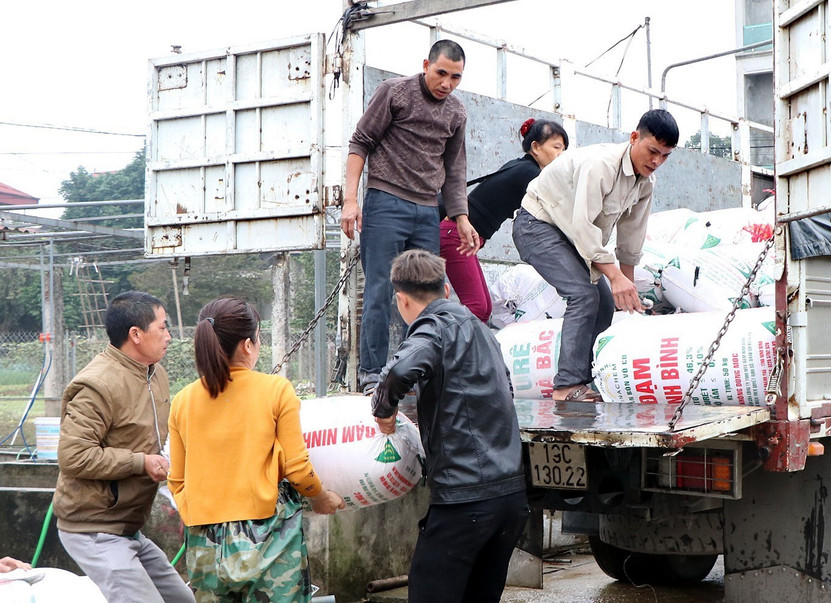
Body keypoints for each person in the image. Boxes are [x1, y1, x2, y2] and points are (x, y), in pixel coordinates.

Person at [371, 249, 528, 603]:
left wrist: (385, 410)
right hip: (510, 501)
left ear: (401, 299)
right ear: (445, 290)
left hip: (465, 502)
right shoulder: (482, 330)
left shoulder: (434, 327)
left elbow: (400, 370)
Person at [168, 297, 345, 603]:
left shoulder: (182, 400)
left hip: (204, 542)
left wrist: (202, 516)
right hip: (268, 538)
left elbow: (177, 480)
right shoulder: (275, 390)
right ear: (248, 345)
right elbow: (298, 468)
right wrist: (320, 497)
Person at [340, 39, 480, 394]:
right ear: (426, 65)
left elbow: (455, 168)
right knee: (380, 289)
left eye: (456, 77)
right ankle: (372, 375)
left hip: (426, 210)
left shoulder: (457, 113)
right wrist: (350, 200)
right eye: (441, 73)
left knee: (427, 294)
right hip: (386, 201)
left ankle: (412, 370)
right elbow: (360, 143)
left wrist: (461, 217)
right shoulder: (395, 92)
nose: (447, 83)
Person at [512, 108, 679, 401]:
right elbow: (583, 226)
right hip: (536, 225)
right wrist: (613, 276)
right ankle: (567, 386)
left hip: (569, 235)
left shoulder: (645, 183)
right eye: (653, 151)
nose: (657, 161)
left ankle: (588, 379)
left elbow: (631, 237)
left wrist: (627, 289)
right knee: (583, 295)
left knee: (604, 303)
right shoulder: (601, 164)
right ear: (634, 137)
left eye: (665, 156)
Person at [52, 291, 194, 603]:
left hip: (128, 528)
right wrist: (141, 462)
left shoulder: (154, 374)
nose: (170, 336)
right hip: (94, 528)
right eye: (163, 327)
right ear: (136, 335)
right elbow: (73, 456)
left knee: (182, 600)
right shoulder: (97, 385)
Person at [440, 118, 569, 322]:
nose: (561, 155)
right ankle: (444, 346)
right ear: (535, 147)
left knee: (484, 308)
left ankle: (459, 349)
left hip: (461, 236)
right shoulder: (530, 174)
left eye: (563, 150)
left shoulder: (519, 167)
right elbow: (556, 211)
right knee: (477, 307)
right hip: (456, 235)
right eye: (556, 147)